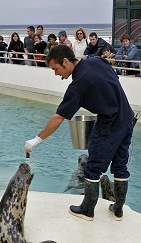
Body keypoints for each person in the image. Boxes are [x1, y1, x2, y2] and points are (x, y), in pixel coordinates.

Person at [24, 45, 134, 222]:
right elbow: (111, 79)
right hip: (127, 119)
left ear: (66, 61)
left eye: (55, 68)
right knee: (121, 167)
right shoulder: (97, 61)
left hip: (109, 125)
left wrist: (36, 140)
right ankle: (118, 210)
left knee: (92, 169)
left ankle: (87, 210)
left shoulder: (78, 86)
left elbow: (59, 117)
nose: (56, 74)